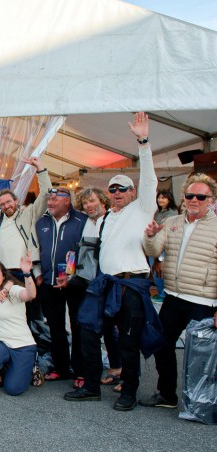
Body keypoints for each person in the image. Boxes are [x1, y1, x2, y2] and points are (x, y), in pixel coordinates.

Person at [65, 112, 159, 411]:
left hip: (131, 284)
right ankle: (92, 387)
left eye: (123, 189)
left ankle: (129, 392)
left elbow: (150, 180)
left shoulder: (142, 209)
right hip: (104, 283)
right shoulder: (105, 219)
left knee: (128, 342)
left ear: (133, 192)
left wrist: (142, 143)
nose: (117, 193)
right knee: (88, 331)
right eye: (113, 189)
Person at [140, 174, 217, 409]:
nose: (194, 200)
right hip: (174, 296)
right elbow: (152, 249)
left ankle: (201, 402)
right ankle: (167, 394)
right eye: (189, 195)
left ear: (211, 199)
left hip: (203, 300)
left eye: (200, 196)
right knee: (162, 344)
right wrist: (151, 235)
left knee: (201, 356)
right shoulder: (173, 221)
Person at [35, 186, 87, 383]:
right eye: (49, 199)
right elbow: (36, 249)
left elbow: (86, 251)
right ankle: (61, 367)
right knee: (55, 328)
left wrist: (73, 275)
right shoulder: (42, 222)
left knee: (78, 326)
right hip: (49, 282)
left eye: (55, 199)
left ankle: (80, 370)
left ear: (67, 200)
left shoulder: (82, 220)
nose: (50, 202)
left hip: (75, 283)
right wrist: (38, 273)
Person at [75, 187, 122, 387]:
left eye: (92, 201)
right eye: (85, 203)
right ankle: (114, 367)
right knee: (101, 326)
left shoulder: (112, 220)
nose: (88, 206)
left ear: (103, 201)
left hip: (110, 279)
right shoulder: (87, 223)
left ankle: (121, 370)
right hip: (91, 282)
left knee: (115, 326)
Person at [0, 258, 38, 395]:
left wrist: (27, 274)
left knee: (13, 389)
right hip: (2, 344)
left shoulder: (12, 291)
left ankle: (32, 366)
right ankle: (2, 370)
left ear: (3, 275)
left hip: (23, 346)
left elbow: (31, 294)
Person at [0, 157, 50, 278]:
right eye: (2, 204)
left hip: (22, 270)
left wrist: (40, 169)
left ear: (16, 200)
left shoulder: (28, 213)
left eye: (8, 202)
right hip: (1, 271)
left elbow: (46, 194)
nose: (6, 206)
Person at [150, 189, 178, 302]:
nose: (160, 200)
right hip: (154, 244)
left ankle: (164, 294)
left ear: (169, 199)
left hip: (164, 246)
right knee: (155, 270)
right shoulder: (158, 212)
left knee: (162, 271)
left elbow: (164, 229)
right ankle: (160, 292)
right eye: (159, 197)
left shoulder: (172, 212)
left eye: (163, 198)